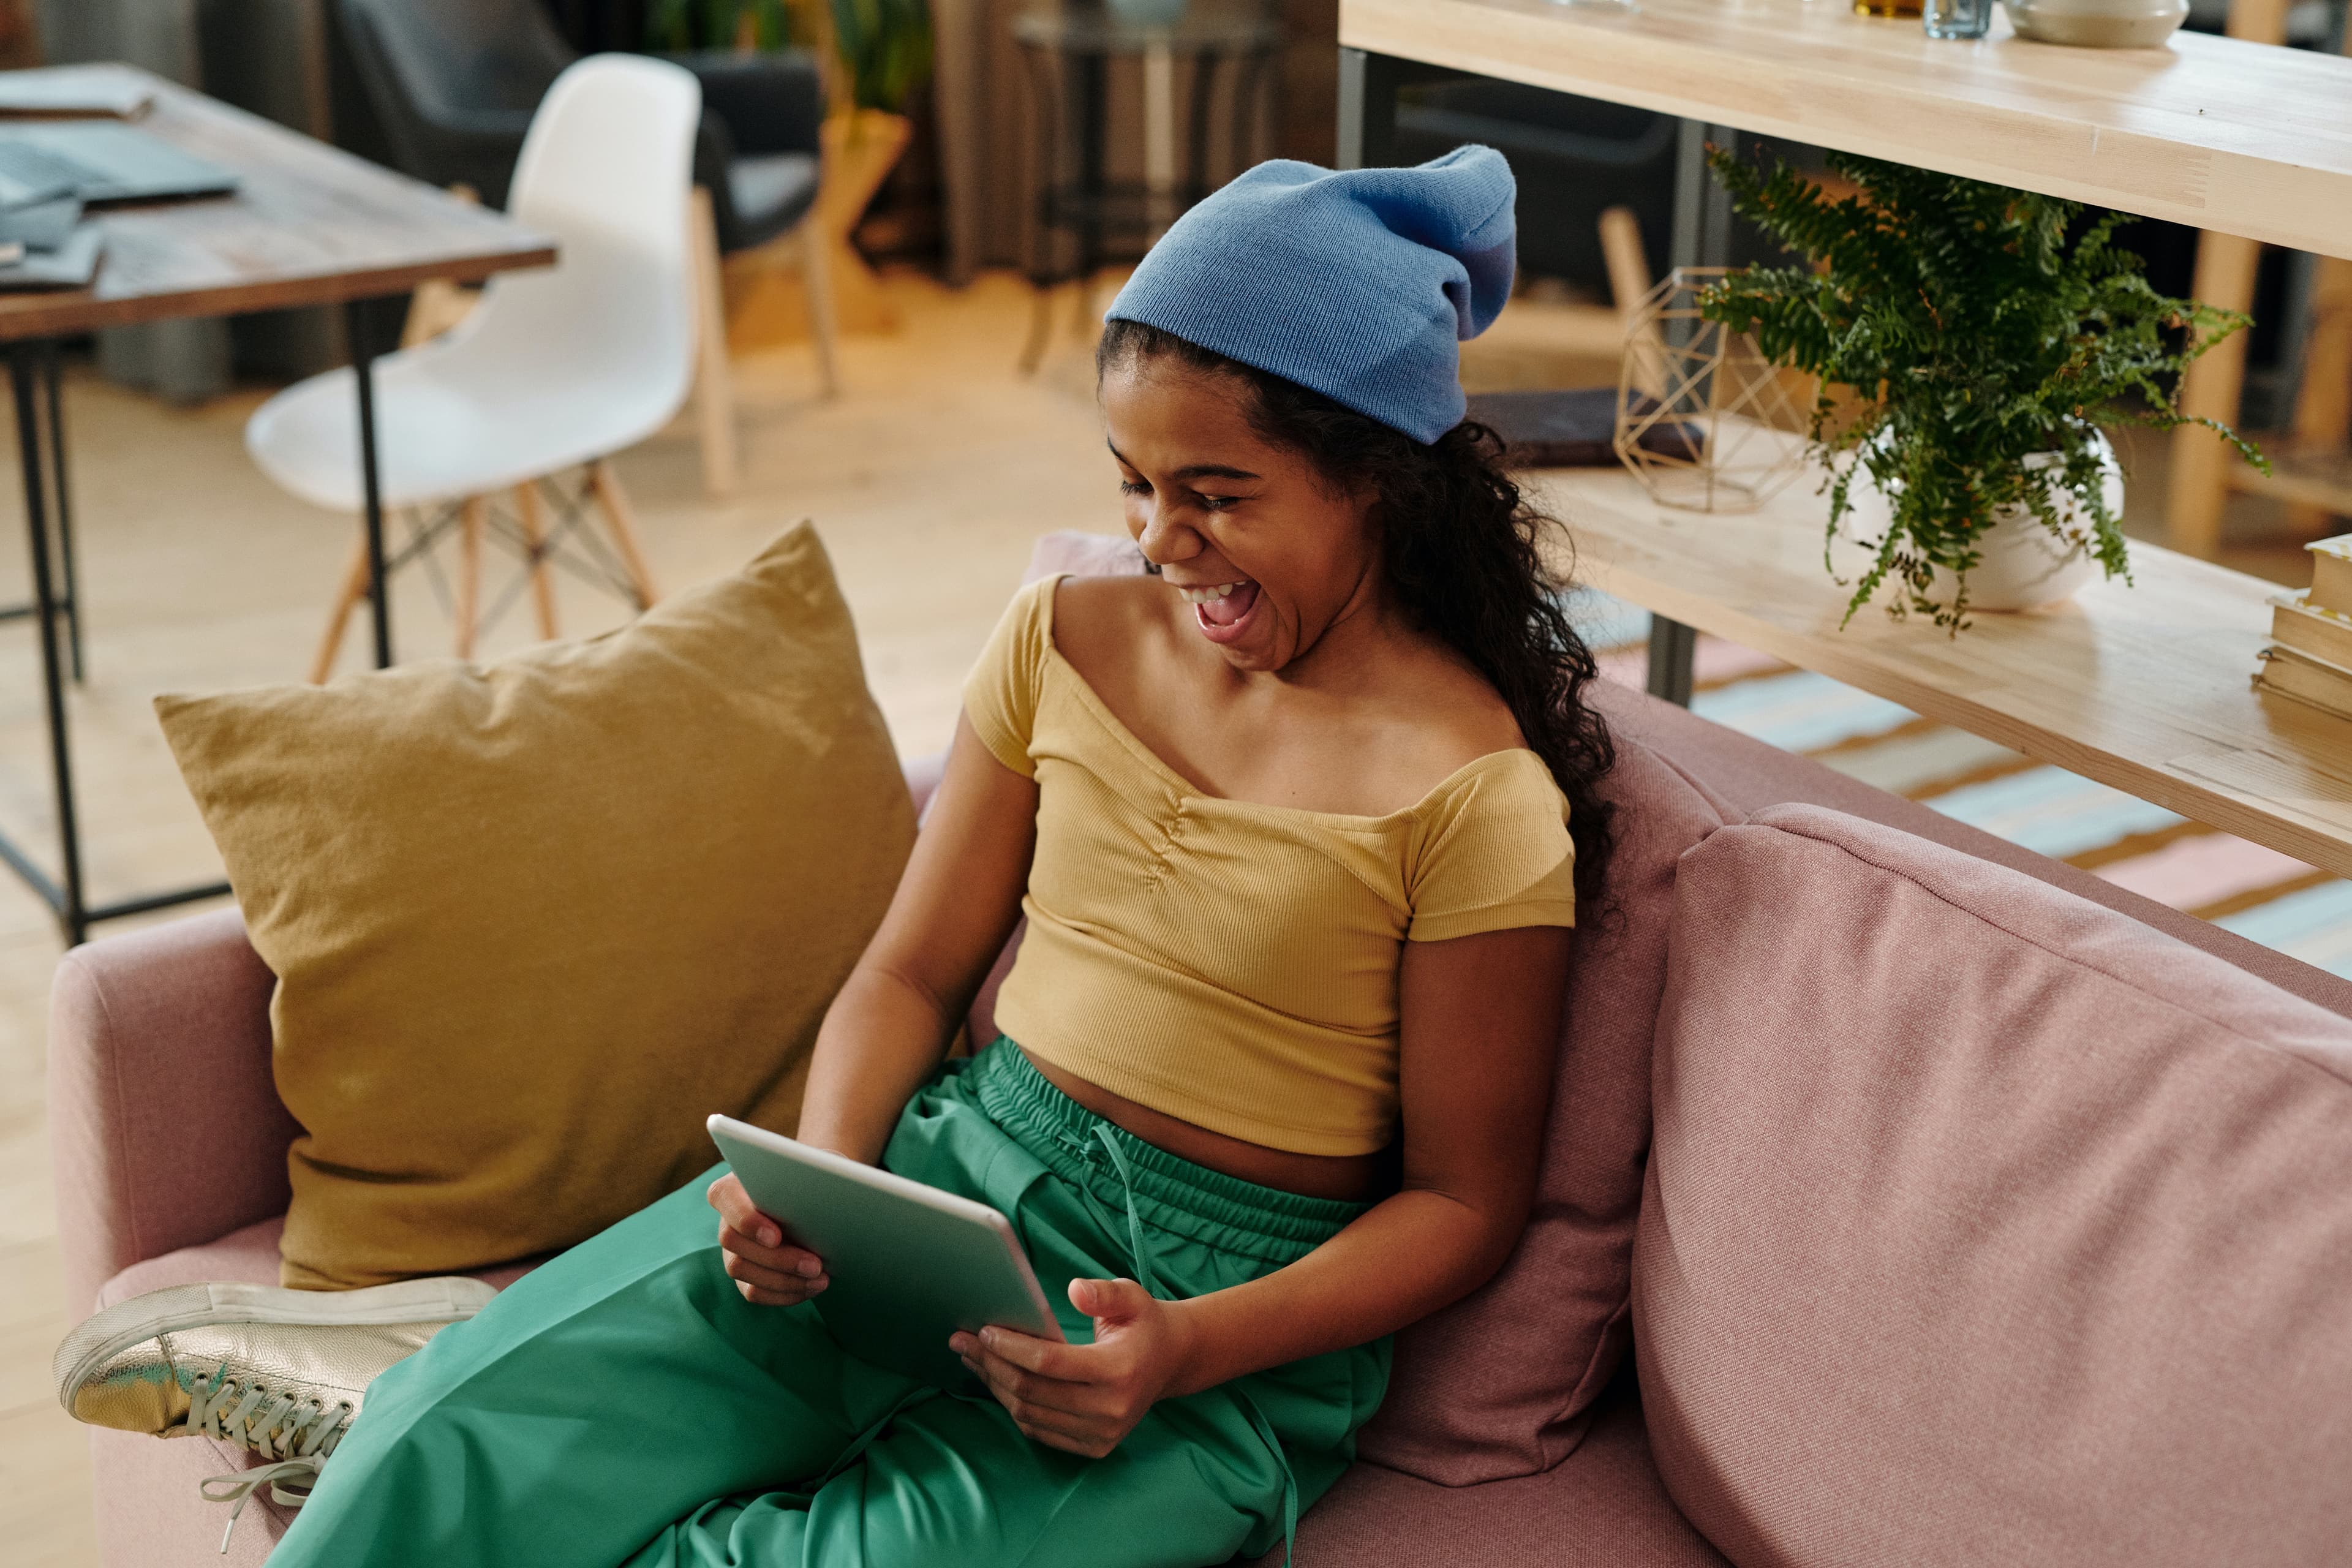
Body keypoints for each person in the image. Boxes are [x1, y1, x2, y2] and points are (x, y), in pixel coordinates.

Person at [70, 145, 1617, 1567]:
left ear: (1382, 477)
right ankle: (443, 1385)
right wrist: (829, 1176)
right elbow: (911, 967)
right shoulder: (1068, 638)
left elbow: (1464, 1205)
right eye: (1135, 486)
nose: (1157, 541)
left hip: (1212, 1340)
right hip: (950, 1188)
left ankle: (492, 1404)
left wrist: (1185, 1351)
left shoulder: (1473, 797)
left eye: (1218, 496)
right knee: (437, 1439)